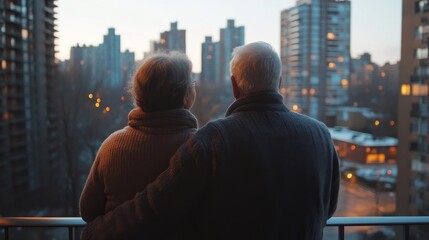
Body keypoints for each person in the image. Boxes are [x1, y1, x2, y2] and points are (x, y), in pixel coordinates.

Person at [81, 42, 340, 240]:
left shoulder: (214, 141)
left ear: (234, 86)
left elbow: (153, 208)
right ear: (279, 82)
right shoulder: (321, 135)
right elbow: (327, 208)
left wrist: (95, 231)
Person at [79, 52, 198, 224]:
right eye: (192, 84)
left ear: (138, 93)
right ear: (186, 96)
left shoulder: (112, 146)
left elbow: (88, 211)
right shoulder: (199, 147)